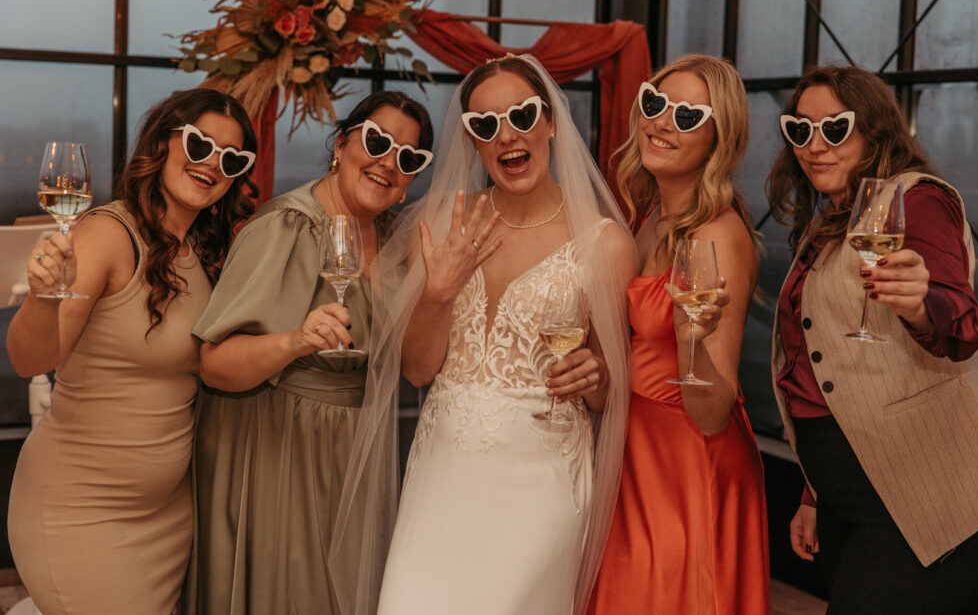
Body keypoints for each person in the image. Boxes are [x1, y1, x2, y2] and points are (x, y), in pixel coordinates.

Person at [334, 54, 634, 615]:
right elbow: (418, 370)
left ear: (550, 121)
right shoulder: (443, 221)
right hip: (442, 471)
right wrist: (439, 292)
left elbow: (605, 394)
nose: (507, 135)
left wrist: (595, 375)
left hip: (542, 481)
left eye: (521, 115)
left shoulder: (605, 244)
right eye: (485, 124)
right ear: (472, 140)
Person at [766, 64, 978, 614]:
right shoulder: (832, 219)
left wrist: (921, 305)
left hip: (927, 491)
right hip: (848, 494)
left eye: (835, 128)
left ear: (874, 130)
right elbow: (817, 370)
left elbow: (964, 325)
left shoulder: (918, 200)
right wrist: (813, 492)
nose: (815, 145)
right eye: (800, 129)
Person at [6, 89, 257, 614]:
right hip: (82, 509)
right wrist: (43, 297)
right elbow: (31, 360)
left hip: (166, 517)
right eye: (200, 144)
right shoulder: (108, 233)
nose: (213, 163)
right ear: (163, 141)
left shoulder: (204, 250)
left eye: (232, 159)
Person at [182, 90, 433, 615]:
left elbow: (414, 362)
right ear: (341, 145)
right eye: (378, 142)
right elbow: (214, 364)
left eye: (408, 157)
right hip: (276, 451)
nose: (389, 162)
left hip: (355, 453)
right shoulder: (286, 226)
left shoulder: (397, 242)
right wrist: (295, 341)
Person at [586, 54, 770, 614]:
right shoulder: (649, 218)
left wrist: (692, 340)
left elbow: (713, 410)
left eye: (688, 116)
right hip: (635, 450)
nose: (663, 122)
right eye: (655, 103)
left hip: (688, 461)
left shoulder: (717, 235)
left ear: (719, 140)